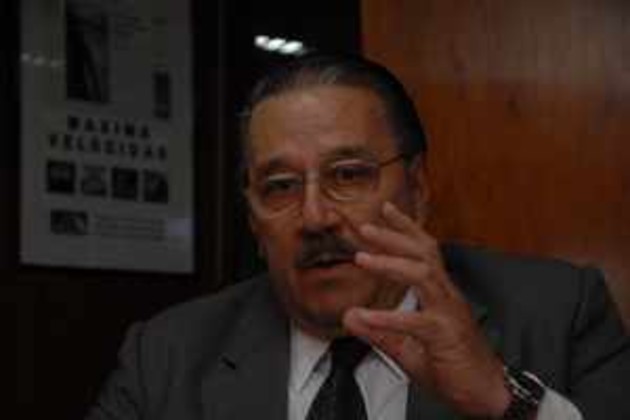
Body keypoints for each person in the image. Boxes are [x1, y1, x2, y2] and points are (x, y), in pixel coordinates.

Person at [87, 54, 630, 419]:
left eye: (348, 175)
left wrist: (500, 398)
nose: (315, 217)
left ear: (417, 190)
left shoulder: (561, 313)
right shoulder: (167, 357)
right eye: (280, 186)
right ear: (253, 217)